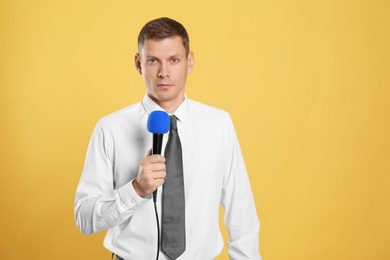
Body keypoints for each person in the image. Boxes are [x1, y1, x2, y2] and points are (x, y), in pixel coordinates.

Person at [74, 17, 261, 260]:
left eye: (174, 60)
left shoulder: (219, 124)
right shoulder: (110, 129)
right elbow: (84, 218)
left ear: (189, 61)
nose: (164, 73)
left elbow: (241, 211)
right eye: (153, 61)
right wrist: (135, 190)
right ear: (138, 63)